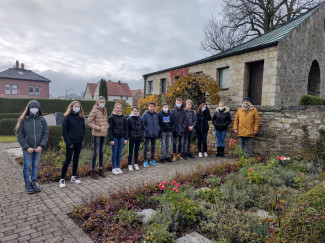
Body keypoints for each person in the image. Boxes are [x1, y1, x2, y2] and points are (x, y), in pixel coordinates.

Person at [16, 100, 49, 193]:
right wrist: (26, 147)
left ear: (38, 109)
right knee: (27, 165)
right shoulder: (23, 119)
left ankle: (33, 182)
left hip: (38, 148)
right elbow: (19, 135)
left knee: (35, 164)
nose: (34, 109)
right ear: (29, 108)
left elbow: (46, 133)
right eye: (33, 107)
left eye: (36, 107)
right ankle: (27, 183)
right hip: (28, 148)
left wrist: (41, 146)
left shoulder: (42, 119)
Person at [59, 101, 85, 188]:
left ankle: (74, 176)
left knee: (76, 159)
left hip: (79, 141)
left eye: (78, 106)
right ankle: (62, 178)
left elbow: (83, 129)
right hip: (70, 142)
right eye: (75, 106)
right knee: (68, 160)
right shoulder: (67, 118)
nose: (77, 107)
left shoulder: (81, 117)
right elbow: (64, 132)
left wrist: (81, 138)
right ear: (71, 107)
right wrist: (69, 143)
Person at [86, 96, 109, 179]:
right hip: (96, 135)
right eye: (101, 102)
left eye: (104, 102)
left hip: (103, 134)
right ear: (98, 102)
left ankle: (100, 169)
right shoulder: (94, 110)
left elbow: (104, 121)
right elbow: (88, 122)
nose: (102, 103)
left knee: (102, 152)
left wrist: (106, 125)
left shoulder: (104, 110)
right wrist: (98, 128)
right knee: (95, 153)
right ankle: (93, 171)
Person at [109, 103, 128, 175]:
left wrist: (126, 138)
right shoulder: (111, 118)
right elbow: (110, 129)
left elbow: (126, 129)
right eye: (117, 108)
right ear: (114, 109)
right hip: (114, 137)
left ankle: (117, 167)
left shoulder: (124, 118)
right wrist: (111, 139)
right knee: (114, 152)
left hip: (122, 137)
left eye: (120, 108)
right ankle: (113, 168)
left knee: (119, 153)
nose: (119, 110)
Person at [142, 101, 160, 167]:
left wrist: (157, 129)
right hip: (147, 134)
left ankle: (152, 160)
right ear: (148, 107)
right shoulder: (145, 114)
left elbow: (158, 123)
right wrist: (147, 130)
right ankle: (145, 161)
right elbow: (143, 124)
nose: (152, 107)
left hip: (154, 133)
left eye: (153, 106)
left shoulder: (156, 114)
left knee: (153, 147)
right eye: (150, 106)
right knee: (145, 148)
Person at [127, 106, 143, 171]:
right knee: (130, 152)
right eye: (134, 111)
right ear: (132, 111)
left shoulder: (140, 119)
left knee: (136, 151)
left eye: (137, 111)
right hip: (131, 138)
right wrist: (128, 136)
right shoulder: (129, 119)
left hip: (138, 137)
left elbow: (142, 127)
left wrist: (141, 135)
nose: (136, 112)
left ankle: (136, 164)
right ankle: (129, 164)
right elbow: (127, 129)